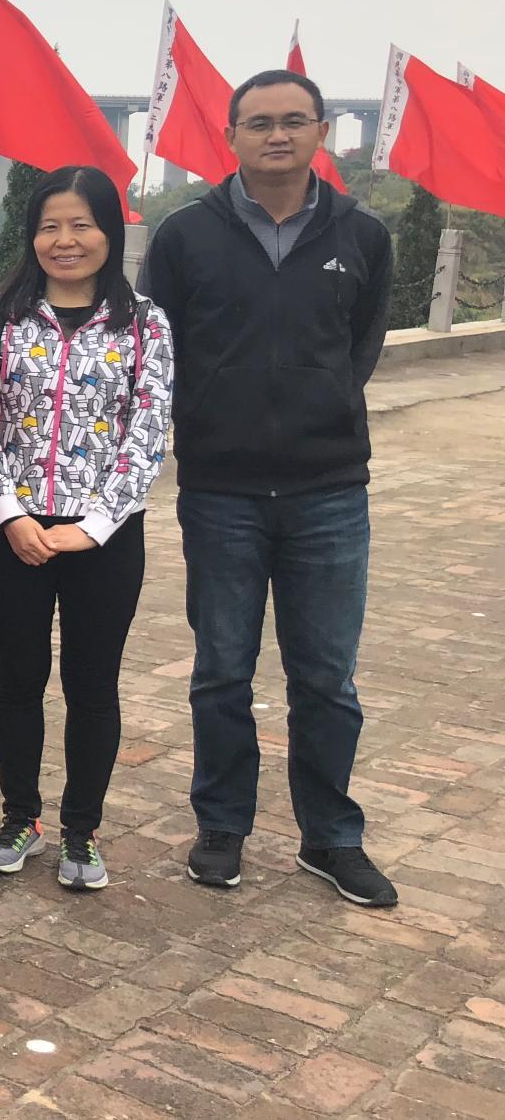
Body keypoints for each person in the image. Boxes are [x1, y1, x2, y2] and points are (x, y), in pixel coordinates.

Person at [141, 69, 397, 906]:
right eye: (259, 123)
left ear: (322, 130)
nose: (277, 135)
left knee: (326, 677)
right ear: (231, 136)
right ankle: (222, 825)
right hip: (222, 491)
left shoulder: (362, 234)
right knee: (222, 670)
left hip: (329, 489)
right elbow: (161, 347)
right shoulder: (186, 235)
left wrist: (320, 406)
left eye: (294, 120)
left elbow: (360, 346)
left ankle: (331, 837)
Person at [0, 166, 174, 891]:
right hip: (11, 532)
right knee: (17, 678)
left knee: (93, 684)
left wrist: (95, 524)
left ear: (109, 232)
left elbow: (149, 430)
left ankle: (81, 830)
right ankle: (19, 816)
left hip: (105, 538)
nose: (65, 240)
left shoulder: (145, 323)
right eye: (50, 226)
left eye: (81, 225)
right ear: (31, 236)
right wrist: (9, 513)